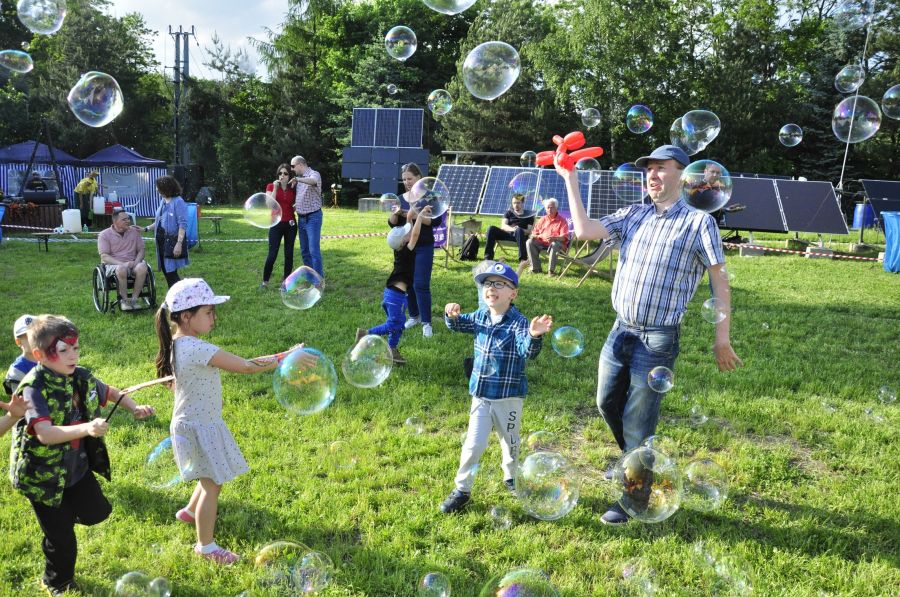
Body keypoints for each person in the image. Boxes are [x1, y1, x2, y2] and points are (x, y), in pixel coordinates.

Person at [555, 144, 742, 525]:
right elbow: (586, 231)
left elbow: (719, 282)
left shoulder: (697, 222)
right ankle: (636, 465)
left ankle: (635, 495)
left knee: (639, 419)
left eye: (661, 168)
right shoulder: (634, 214)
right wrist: (569, 179)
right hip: (620, 329)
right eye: (648, 169)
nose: (652, 175)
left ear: (682, 176)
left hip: (658, 337)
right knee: (607, 402)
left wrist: (722, 337)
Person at [154, 278, 315, 564]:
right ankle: (206, 547)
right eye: (209, 312)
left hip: (195, 420)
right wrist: (285, 356)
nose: (214, 318)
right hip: (199, 425)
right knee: (212, 483)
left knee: (207, 473)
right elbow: (244, 365)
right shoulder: (196, 349)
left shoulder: (180, 343)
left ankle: (190, 512)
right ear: (186, 317)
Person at [10, 315, 155, 595]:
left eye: (75, 348)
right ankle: (57, 581)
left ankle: (61, 521)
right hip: (43, 477)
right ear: (39, 354)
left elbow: (111, 392)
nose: (73, 355)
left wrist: (134, 408)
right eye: (63, 350)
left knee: (98, 512)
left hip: (75, 467)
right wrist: (87, 428)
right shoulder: (33, 387)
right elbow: (45, 434)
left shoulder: (80, 375)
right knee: (62, 539)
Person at [439, 262, 553, 514]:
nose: (491, 288)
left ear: (513, 293)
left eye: (499, 284)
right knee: (473, 445)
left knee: (510, 442)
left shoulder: (519, 323)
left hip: (508, 398)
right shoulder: (479, 316)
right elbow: (458, 324)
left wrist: (534, 335)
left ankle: (511, 476)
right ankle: (462, 490)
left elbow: (527, 351)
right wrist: (450, 314)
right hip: (481, 395)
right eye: (487, 284)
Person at [356, 206, 431, 365]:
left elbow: (410, 232)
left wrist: (410, 218)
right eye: (407, 234)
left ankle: (392, 349)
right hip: (395, 296)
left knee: (399, 325)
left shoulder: (400, 248)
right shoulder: (407, 251)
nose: (409, 233)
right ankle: (365, 334)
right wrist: (417, 218)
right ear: (404, 241)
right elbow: (415, 234)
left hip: (395, 295)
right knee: (393, 324)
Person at [389, 162, 440, 338]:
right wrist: (396, 214)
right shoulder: (400, 197)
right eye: (404, 179)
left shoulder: (430, 197)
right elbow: (392, 223)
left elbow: (434, 222)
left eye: (409, 178)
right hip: (406, 249)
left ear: (419, 177)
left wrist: (410, 214)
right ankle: (414, 316)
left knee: (421, 284)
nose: (407, 182)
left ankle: (427, 323)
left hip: (424, 246)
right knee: (408, 283)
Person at [98, 208, 150, 311]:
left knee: (142, 267)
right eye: (124, 220)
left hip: (132, 262)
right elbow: (104, 256)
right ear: (115, 221)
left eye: (128, 219)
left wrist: (136, 262)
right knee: (121, 269)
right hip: (113, 264)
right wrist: (122, 264)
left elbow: (141, 250)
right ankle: (124, 301)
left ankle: (134, 300)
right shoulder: (104, 235)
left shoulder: (134, 231)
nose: (128, 221)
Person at [145, 175, 189, 288]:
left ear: (166, 188)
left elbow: (182, 224)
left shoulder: (178, 202)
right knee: (167, 271)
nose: (156, 189)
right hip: (161, 240)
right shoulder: (163, 201)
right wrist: (146, 228)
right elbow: (160, 221)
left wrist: (179, 243)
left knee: (171, 273)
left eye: (158, 187)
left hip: (172, 241)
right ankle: (176, 298)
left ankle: (180, 299)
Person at [261, 164, 298, 289]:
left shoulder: (292, 188)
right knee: (272, 253)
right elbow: (269, 204)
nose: (282, 175)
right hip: (276, 223)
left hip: (290, 224)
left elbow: (295, 205)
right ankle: (265, 282)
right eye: (280, 173)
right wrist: (275, 188)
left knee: (289, 253)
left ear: (289, 176)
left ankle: (286, 283)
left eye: (285, 173)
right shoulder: (271, 186)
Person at [291, 156, 324, 279]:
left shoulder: (314, 174)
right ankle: (311, 279)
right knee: (305, 251)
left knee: (313, 251)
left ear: (300, 164)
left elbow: (313, 182)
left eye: (293, 166)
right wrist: (295, 205)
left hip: (313, 218)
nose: (292, 169)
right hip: (301, 219)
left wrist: (298, 179)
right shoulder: (299, 180)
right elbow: (303, 196)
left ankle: (319, 281)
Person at [521, 197, 570, 276]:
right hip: (542, 243)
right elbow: (533, 233)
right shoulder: (542, 219)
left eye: (552, 207)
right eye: (548, 208)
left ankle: (551, 271)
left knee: (554, 244)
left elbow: (564, 237)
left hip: (557, 246)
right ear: (546, 209)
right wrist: (536, 236)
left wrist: (554, 238)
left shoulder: (562, 221)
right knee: (529, 242)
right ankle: (535, 268)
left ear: (556, 208)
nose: (550, 209)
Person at [483, 193, 534, 263]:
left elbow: (529, 231)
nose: (516, 205)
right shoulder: (509, 213)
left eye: (518, 203)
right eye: (514, 203)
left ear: (522, 203)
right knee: (491, 228)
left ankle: (523, 259)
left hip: (520, 237)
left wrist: (519, 230)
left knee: (519, 230)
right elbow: (503, 226)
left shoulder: (529, 215)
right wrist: (513, 229)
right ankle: (488, 258)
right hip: (507, 234)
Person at [4, 314, 37, 397]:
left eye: (38, 335)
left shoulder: (48, 359)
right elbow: (19, 399)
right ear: (19, 342)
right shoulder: (17, 370)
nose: (36, 340)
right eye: (30, 337)